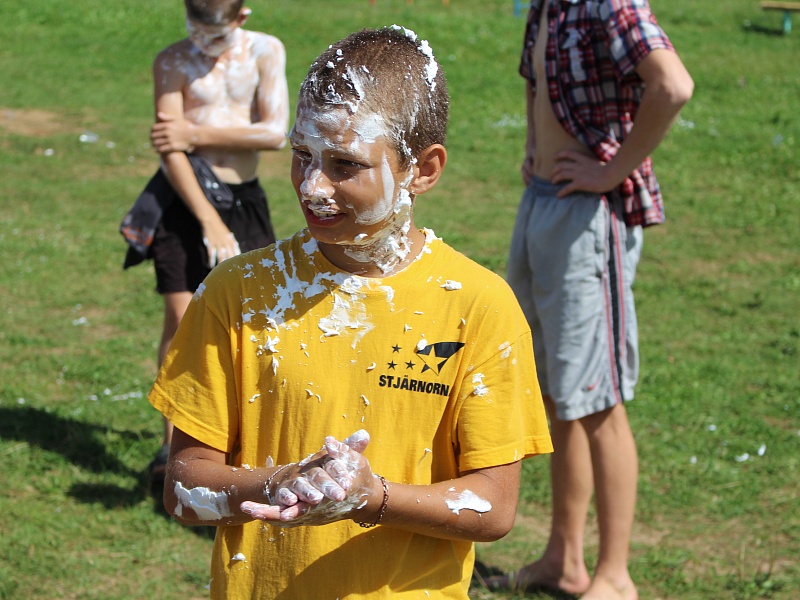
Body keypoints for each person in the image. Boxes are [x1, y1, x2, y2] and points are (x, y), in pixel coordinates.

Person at [148, 26, 553, 599]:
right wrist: (282, 484)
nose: (313, 186)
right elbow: (184, 489)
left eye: (344, 164)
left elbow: (495, 506)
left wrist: (371, 497)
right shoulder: (239, 291)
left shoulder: (476, 306)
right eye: (302, 155)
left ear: (424, 169)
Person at [487, 1, 694, 599]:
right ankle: (565, 560)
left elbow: (672, 85)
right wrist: (533, 145)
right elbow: (537, 84)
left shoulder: (611, 2)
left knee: (597, 399)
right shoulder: (548, 4)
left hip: (590, 216)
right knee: (556, 394)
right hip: (545, 202)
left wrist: (614, 171)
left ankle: (615, 576)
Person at [124, 0, 289, 486]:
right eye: (193, 31)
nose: (201, 44)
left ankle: (245, 442)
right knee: (180, 319)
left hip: (244, 198)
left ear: (243, 17)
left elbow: (275, 132)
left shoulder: (265, 51)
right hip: (184, 199)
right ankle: (170, 445)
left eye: (213, 36)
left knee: (255, 321)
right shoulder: (172, 61)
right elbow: (170, 148)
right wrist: (209, 222)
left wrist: (197, 129)